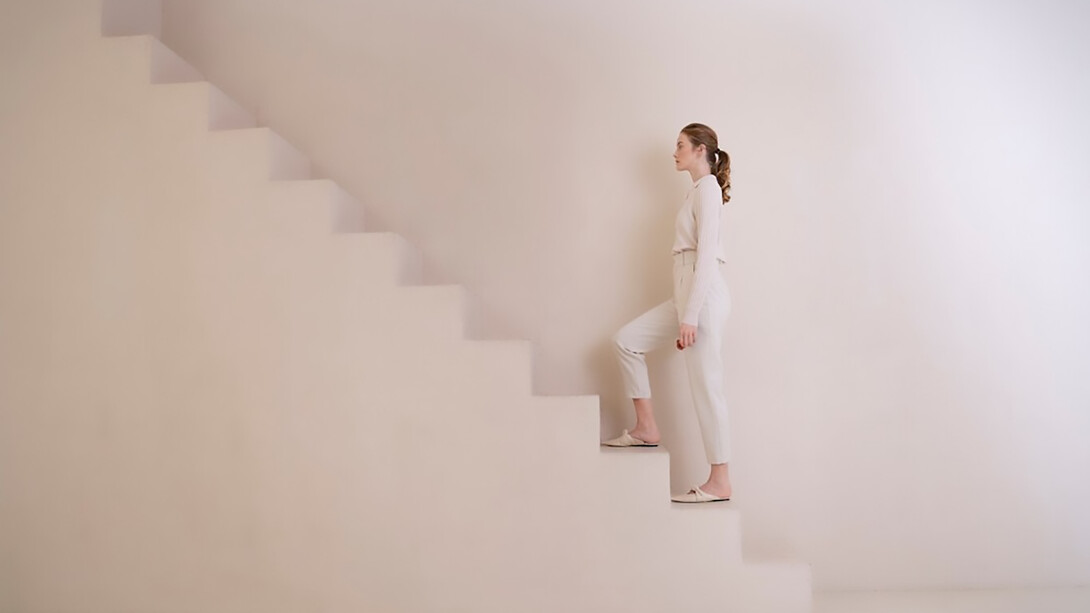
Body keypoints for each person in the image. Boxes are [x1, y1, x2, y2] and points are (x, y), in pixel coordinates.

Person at [602, 123, 734, 504]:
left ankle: (719, 480)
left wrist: (690, 313)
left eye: (680, 145)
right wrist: (684, 307)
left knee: (706, 387)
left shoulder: (707, 188)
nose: (674, 152)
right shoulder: (696, 191)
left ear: (699, 150)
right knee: (626, 341)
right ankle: (646, 427)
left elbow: (706, 253)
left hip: (702, 296)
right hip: (688, 294)